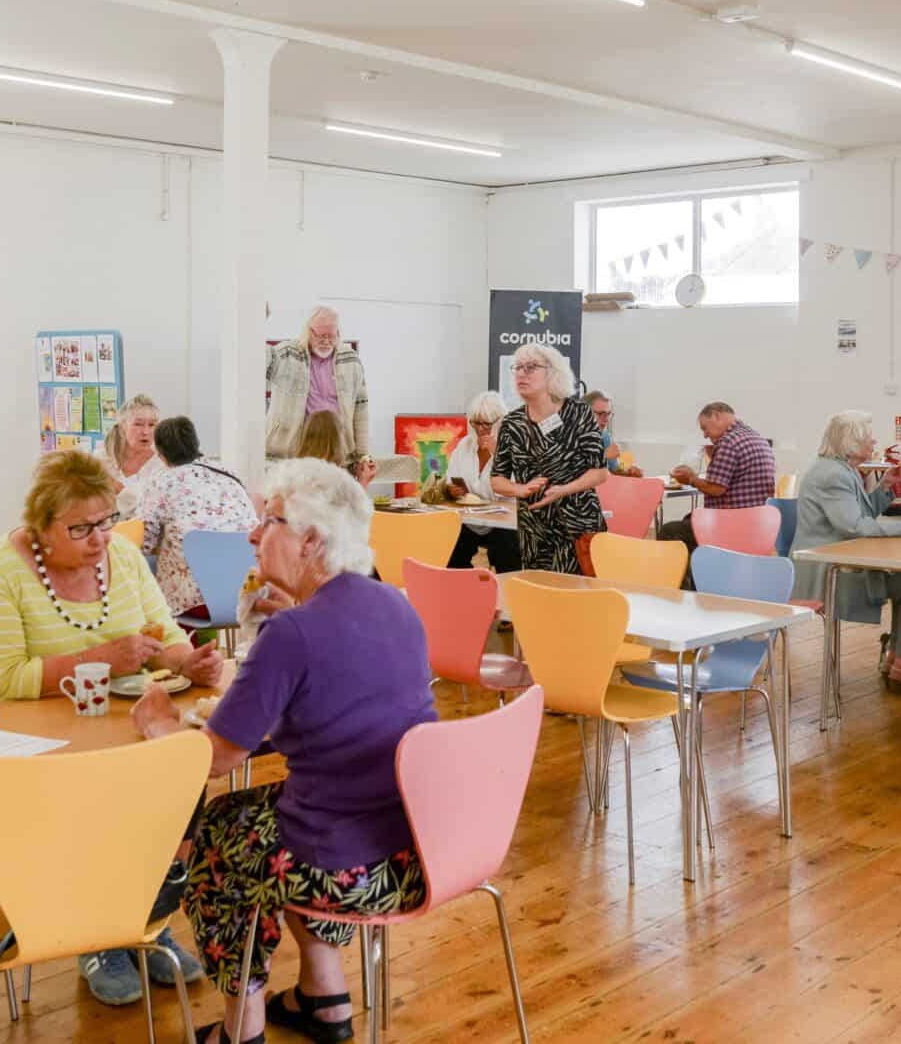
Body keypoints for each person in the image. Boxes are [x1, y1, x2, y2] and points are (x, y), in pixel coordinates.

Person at [129, 459, 435, 1044]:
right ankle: (326, 997)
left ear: (311, 541)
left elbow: (215, 758)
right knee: (283, 808)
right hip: (410, 842)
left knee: (221, 831)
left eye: (267, 521)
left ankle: (241, 1027)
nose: (251, 533)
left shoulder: (292, 636)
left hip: (345, 865)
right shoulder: (394, 603)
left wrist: (158, 724)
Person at [0, 448, 223, 1004]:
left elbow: (162, 632)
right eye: (81, 527)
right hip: (18, 742)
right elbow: (1, 678)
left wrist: (182, 660)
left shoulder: (121, 558)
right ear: (41, 525)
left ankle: (143, 917)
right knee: (95, 793)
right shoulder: (0, 569)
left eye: (106, 520)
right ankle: (94, 933)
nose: (100, 536)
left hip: (109, 731)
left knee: (177, 770)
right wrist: (104, 656)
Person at [791, 410, 901, 691]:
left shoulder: (838, 469)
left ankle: (898, 656)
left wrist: (886, 486)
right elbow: (855, 527)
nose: (874, 441)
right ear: (852, 442)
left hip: (838, 563)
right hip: (830, 574)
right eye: (868, 437)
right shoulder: (833, 474)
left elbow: (859, 514)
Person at [490, 343, 608, 574]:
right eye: (519, 367)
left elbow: (600, 472)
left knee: (577, 599)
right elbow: (497, 479)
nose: (522, 373)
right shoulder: (511, 423)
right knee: (540, 598)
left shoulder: (579, 413)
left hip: (577, 524)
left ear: (552, 373)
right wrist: (519, 489)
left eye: (531, 367)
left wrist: (563, 489)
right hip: (534, 529)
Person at [138, 415, 259, 620]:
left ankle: (176, 649)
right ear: (196, 445)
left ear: (160, 455)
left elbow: (144, 542)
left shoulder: (161, 481)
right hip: (249, 595)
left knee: (145, 564)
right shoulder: (230, 476)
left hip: (195, 603)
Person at [657, 401, 776, 589]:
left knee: (669, 531)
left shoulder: (728, 442)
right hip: (757, 527)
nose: (705, 434)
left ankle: (689, 594)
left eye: (705, 428)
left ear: (716, 415)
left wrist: (691, 479)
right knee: (688, 524)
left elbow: (715, 488)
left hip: (728, 526)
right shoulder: (757, 437)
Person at [265, 306, 370, 463]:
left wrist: (363, 455)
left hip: (337, 453)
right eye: (321, 335)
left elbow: (361, 409)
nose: (326, 341)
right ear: (308, 331)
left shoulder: (351, 360)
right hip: (290, 453)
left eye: (331, 336)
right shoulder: (286, 354)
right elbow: (257, 359)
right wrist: (257, 322)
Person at [444, 390, 521, 572]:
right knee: (449, 549)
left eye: (486, 424)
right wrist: (453, 489)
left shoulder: (513, 446)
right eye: (475, 422)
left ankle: (505, 594)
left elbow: (515, 486)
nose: (479, 429)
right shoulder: (465, 445)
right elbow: (451, 479)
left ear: (499, 422)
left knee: (507, 552)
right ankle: (468, 588)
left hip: (503, 521)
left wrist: (497, 454)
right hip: (471, 519)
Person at [99, 393, 166, 518]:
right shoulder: (102, 458)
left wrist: (118, 488)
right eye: (138, 424)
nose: (145, 432)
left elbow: (152, 509)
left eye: (152, 425)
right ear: (123, 426)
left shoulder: (162, 464)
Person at [293, 410, 377, 487]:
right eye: (342, 434)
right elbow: (352, 503)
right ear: (336, 443)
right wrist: (363, 480)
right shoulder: (334, 479)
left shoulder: (292, 473)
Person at [585, 389, 642, 476]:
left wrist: (628, 470)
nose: (606, 419)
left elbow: (615, 469)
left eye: (608, 414)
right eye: (601, 414)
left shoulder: (604, 435)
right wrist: (604, 455)